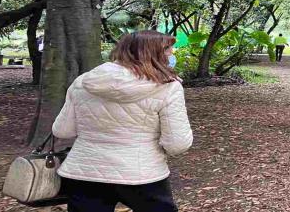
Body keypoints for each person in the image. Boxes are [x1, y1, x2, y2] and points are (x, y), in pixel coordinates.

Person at [52, 31, 193, 212]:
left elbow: (62, 131)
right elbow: (177, 143)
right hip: (141, 172)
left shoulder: (83, 82)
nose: (172, 54)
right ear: (152, 53)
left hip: (85, 171)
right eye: (168, 50)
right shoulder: (168, 87)